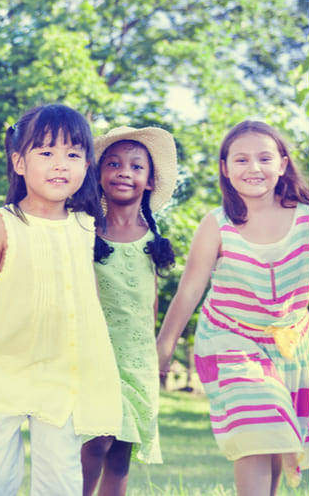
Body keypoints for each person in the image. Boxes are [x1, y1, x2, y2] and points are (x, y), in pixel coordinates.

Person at [0, 104, 122, 496]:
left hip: (62, 375)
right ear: (19, 162)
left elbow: (86, 300)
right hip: (1, 367)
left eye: (73, 155)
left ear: (87, 165)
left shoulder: (84, 226)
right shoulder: (3, 222)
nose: (60, 164)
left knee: (60, 480)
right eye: (46, 153)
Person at [156, 120, 309, 495]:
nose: (253, 168)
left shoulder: (307, 219)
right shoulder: (217, 224)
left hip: (290, 346)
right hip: (229, 340)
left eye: (263, 158)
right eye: (240, 159)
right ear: (225, 168)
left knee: (274, 439)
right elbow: (190, 290)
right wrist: (162, 349)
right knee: (258, 425)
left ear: (283, 164)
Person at [81, 126, 178, 495]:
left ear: (150, 180)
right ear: (99, 175)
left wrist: (157, 353)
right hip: (96, 355)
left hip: (136, 359)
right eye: (114, 163)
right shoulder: (86, 232)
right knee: (97, 439)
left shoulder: (153, 242)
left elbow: (150, 304)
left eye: (136, 166)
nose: (124, 171)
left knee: (121, 451)